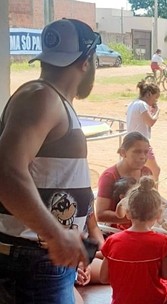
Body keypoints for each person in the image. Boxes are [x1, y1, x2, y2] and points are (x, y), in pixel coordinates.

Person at [0, 19, 100, 302]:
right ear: (86, 62)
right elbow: (6, 170)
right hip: (34, 257)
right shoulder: (41, 97)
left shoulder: (50, 100)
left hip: (41, 258)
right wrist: (56, 233)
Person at [100, 177, 167, 304]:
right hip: (154, 300)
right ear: (158, 214)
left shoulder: (112, 241)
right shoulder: (162, 241)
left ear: (128, 213)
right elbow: (166, 275)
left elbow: (103, 278)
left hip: (121, 301)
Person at [96, 132, 153, 227]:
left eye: (146, 152)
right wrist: (137, 218)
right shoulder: (109, 176)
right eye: (137, 152)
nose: (143, 156)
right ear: (123, 152)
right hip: (116, 233)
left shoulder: (147, 173)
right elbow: (100, 215)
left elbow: (154, 202)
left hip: (144, 229)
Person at [127, 81, 161, 181]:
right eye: (155, 98)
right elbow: (151, 122)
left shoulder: (133, 103)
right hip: (141, 144)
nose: (154, 101)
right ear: (149, 94)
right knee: (155, 171)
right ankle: (154, 195)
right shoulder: (142, 105)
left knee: (138, 172)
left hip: (131, 143)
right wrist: (157, 112)